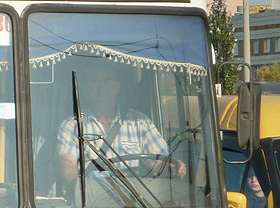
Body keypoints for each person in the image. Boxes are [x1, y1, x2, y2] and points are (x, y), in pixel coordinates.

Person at [57, 65, 187, 184]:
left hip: (135, 201)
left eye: (108, 80)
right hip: (90, 201)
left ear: (118, 86)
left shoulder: (140, 122)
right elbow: (67, 163)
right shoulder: (72, 125)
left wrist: (172, 169)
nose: (102, 87)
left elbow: (158, 164)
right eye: (94, 81)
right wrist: (78, 186)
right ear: (85, 89)